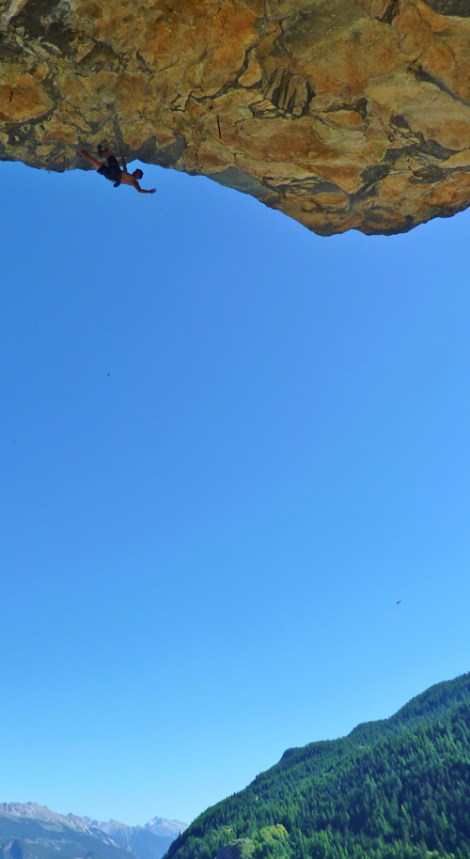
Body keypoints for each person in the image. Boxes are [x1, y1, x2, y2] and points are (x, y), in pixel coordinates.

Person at [78, 145, 157, 194]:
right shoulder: (128, 176)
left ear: (138, 176)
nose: (135, 171)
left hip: (115, 173)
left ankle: (97, 153)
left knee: (107, 155)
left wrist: (149, 191)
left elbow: (139, 190)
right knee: (93, 161)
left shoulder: (134, 182)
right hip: (111, 176)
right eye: (136, 170)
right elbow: (125, 168)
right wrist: (123, 159)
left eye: (137, 172)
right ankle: (81, 152)